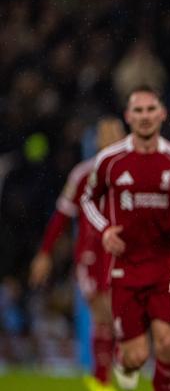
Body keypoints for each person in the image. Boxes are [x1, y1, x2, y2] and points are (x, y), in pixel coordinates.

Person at [81, 86, 170, 391]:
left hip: (167, 264)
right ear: (128, 117)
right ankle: (123, 360)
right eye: (137, 111)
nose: (144, 116)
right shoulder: (110, 160)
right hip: (125, 268)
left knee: (167, 343)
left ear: (162, 114)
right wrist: (104, 230)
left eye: (150, 109)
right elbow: (88, 200)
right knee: (136, 357)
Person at [30, 117, 125, 391]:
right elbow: (61, 216)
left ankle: (105, 373)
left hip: (122, 254)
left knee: (117, 315)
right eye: (107, 133)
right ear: (98, 141)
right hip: (91, 255)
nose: (112, 138)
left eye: (117, 133)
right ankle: (100, 380)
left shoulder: (132, 172)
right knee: (102, 311)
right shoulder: (82, 174)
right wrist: (45, 254)